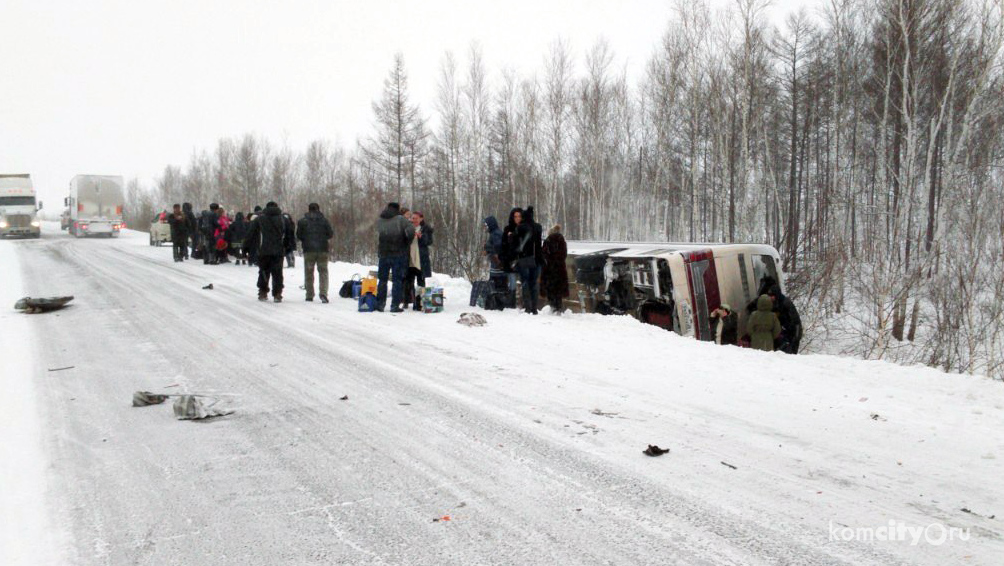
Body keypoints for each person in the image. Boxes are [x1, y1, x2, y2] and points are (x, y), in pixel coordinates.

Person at [245, 201, 294, 302]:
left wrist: (246, 248)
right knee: (277, 272)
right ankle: (277, 293)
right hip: (278, 250)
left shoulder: (259, 219)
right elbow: (290, 235)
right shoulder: (283, 220)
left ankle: (263, 292)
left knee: (263, 271)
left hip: (263, 250)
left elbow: (250, 234)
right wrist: (288, 248)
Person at [375, 202, 415, 313]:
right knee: (397, 280)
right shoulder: (400, 219)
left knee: (382, 280)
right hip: (398, 254)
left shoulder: (380, 220)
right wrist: (407, 242)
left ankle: (380, 304)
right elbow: (411, 230)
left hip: (383, 254)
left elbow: (379, 233)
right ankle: (394, 306)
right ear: (397, 209)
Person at [296, 203, 334, 303]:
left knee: (308, 272)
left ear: (308, 210)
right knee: (323, 272)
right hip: (322, 249)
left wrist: (307, 239)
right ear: (318, 209)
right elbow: (330, 234)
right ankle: (323, 293)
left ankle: (309, 294)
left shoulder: (302, 221)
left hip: (308, 250)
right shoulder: (324, 221)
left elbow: (299, 235)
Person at [403, 211, 433, 311]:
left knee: (421, 281)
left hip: (420, 259)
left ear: (421, 218)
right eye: (412, 218)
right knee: (408, 281)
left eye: (415, 218)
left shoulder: (426, 229)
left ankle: (420, 303)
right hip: (409, 257)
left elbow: (429, 242)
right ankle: (406, 302)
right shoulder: (408, 227)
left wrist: (421, 237)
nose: (413, 220)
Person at [514, 207, 540, 314]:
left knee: (525, 282)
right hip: (537, 259)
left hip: (524, 258)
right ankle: (534, 308)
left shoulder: (521, 227)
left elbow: (515, 242)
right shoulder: (538, 227)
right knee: (533, 283)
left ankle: (527, 307)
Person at [540, 224, 568, 313]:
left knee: (550, 288)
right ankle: (558, 307)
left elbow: (544, 254)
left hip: (549, 269)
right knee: (558, 289)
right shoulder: (562, 240)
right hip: (560, 268)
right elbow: (564, 254)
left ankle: (553, 307)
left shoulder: (548, 240)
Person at [767, 285, 803, 354]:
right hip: (783, 334)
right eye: (769, 296)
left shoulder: (786, 303)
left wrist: (795, 337)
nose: (771, 298)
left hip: (792, 334)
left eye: (772, 296)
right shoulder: (773, 304)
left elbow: (795, 321)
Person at [500, 208, 523, 308]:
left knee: (524, 282)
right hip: (511, 260)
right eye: (515, 216)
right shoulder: (507, 229)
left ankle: (524, 303)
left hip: (524, 259)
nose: (517, 218)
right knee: (512, 282)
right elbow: (504, 245)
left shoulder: (525, 228)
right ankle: (511, 302)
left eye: (519, 216)